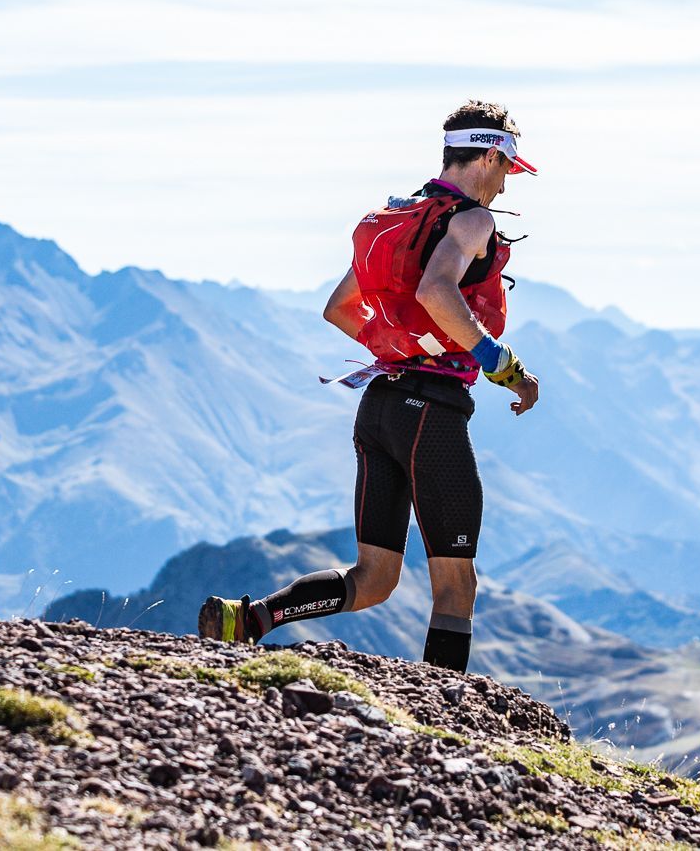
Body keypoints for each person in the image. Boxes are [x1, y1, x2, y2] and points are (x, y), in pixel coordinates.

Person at [198, 101, 541, 673]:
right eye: (506, 167)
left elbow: (340, 309)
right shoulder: (471, 220)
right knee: (456, 586)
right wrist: (501, 365)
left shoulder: (400, 221)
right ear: (488, 155)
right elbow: (437, 293)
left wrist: (398, 347)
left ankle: (248, 620)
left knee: (374, 578)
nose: (506, 182)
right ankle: (443, 720)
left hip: (380, 407)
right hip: (431, 414)